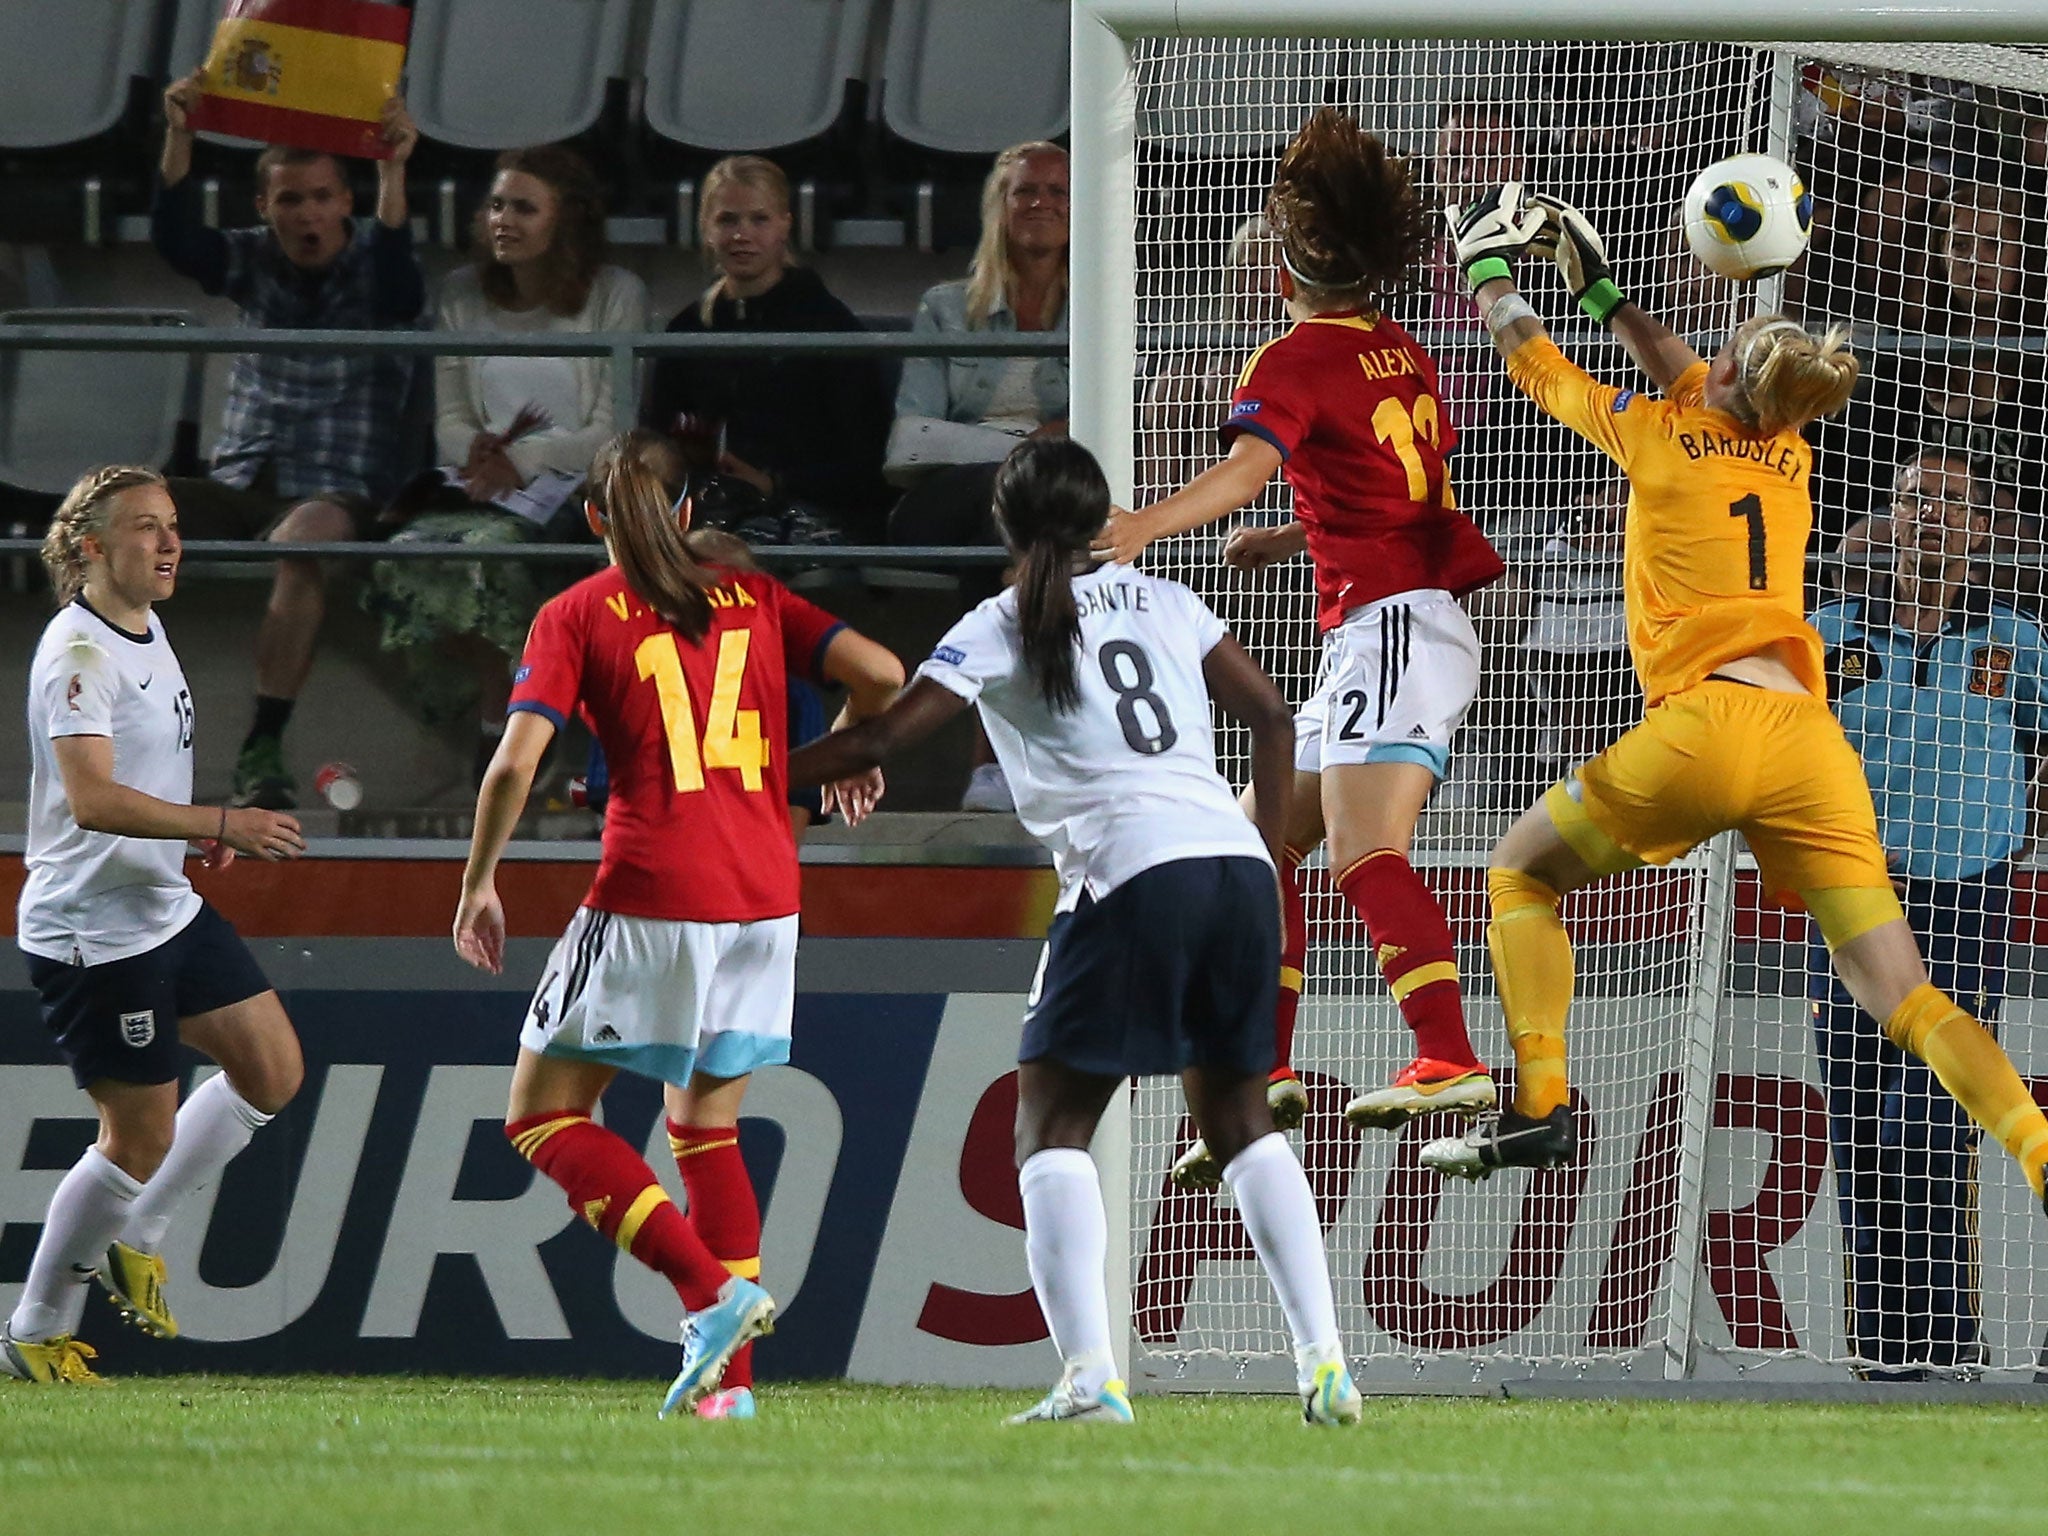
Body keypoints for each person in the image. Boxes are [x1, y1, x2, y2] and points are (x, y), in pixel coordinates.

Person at [1418, 185, 2048, 1232]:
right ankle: (2032, 1141)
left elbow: (1534, 367)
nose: (1707, 346)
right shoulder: (1789, 453)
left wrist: (1488, 270)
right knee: (1904, 996)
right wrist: (1603, 291)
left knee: (1518, 872)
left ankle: (1537, 1100)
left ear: (1728, 385)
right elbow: (1686, 369)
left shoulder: (1654, 437)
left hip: (1706, 729)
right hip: (1808, 745)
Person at [785, 437, 1361, 1427]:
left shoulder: (1001, 622)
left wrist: (726, 777)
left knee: (1049, 1125)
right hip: (1233, 872)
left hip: (1130, 872)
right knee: (1237, 1120)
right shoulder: (1166, 601)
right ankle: (1325, 1366)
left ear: (1001, 526)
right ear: (1102, 519)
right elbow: (1272, 717)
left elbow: (881, 739)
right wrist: (1267, 860)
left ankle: (1089, 1378)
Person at [451, 431, 902, 1420]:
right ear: (691, 513)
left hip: (656, 889)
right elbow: (882, 672)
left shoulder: (577, 614)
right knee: (706, 1128)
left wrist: (481, 878)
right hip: (765, 895)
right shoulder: (752, 598)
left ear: (591, 518)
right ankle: (728, 1394)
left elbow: (517, 762)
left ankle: (709, 1296)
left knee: (542, 1116)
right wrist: (839, 744)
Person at [1097, 108, 1507, 1180]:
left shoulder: (1291, 356)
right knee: (1251, 852)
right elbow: (1406, 486)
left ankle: (1448, 1055)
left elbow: (1240, 468)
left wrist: (1144, 524)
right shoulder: (1398, 349)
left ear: (1282, 259)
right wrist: (1295, 532)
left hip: (1392, 629)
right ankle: (1264, 1074)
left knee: (1366, 850)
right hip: (1391, 624)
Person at [4, 467, 308, 1383]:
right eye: (145, 528)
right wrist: (223, 823)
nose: (169, 543)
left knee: (273, 1071)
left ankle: (142, 1227)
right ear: (90, 547)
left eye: (172, 525)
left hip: (160, 904)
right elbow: (92, 798)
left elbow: (138, 782)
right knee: (137, 1138)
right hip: (94, 929)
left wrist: (186, 836)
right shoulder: (78, 655)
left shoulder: (145, 626)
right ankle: (32, 1330)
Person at [1808, 449, 2045, 1377]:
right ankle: (1888, 1354)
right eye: (1913, 499)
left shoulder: (2013, 642)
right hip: (1856, 902)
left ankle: (1946, 1339)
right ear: (1888, 521)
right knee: (1861, 1125)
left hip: (1965, 896)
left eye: (1952, 501)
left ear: (1985, 530)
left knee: (1933, 1120)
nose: (1930, 515)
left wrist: (2014, 821)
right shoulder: (1824, 638)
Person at [153, 73, 425, 811]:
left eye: (321, 198)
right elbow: (176, 242)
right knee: (114, 505)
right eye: (290, 200)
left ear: (346, 201)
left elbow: (403, 290)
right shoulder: (251, 257)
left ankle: (263, 743)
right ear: (264, 206)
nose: (307, 215)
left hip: (334, 489)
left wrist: (393, 172)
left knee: (306, 538)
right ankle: (97, 716)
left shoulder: (376, 257)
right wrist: (182, 133)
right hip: (242, 479)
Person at [367, 144, 649, 761]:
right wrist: (478, 456)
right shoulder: (461, 294)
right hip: (480, 486)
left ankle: (515, 722)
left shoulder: (615, 294)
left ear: (565, 220)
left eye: (524, 208)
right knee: (405, 555)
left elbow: (613, 426)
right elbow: (449, 414)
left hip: (579, 491)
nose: (504, 220)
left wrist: (521, 462)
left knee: (490, 557)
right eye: (496, 205)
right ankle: (510, 701)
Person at [889, 139, 1072, 814]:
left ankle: (996, 762)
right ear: (999, 206)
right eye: (1025, 191)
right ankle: (1001, 758)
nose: (1041, 204)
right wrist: (1032, 442)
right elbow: (910, 443)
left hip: (1040, 507)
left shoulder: (1099, 305)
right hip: (944, 497)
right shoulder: (945, 307)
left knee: (1015, 537)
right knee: (1016, 515)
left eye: (1057, 192)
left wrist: (1006, 452)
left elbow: (1104, 431)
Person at [639, 155, 890, 544]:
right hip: (705, 504)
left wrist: (774, 483)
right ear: (706, 228)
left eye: (759, 219)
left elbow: (866, 458)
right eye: (727, 220)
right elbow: (656, 436)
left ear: (784, 226)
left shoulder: (827, 323)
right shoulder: (687, 328)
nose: (742, 235)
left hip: (809, 508)